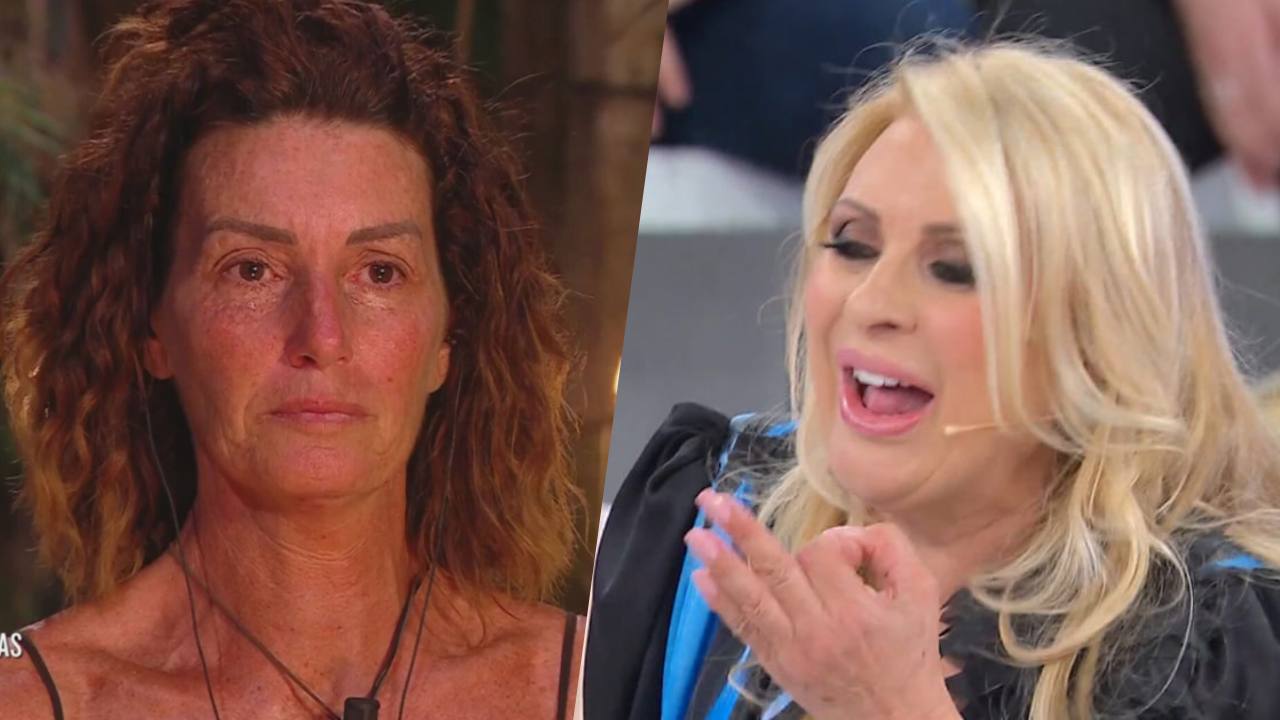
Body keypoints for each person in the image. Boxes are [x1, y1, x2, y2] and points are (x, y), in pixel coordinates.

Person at [586, 39, 1280, 719]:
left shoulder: (1207, 651)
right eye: (852, 245)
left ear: (1099, 333)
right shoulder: (708, 515)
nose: (871, 303)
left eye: (955, 269)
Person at [0, 1, 584, 718]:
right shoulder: (29, 697)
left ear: (447, 339)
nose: (322, 334)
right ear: (152, 327)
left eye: (380, 272)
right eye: (251, 270)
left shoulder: (589, 680)